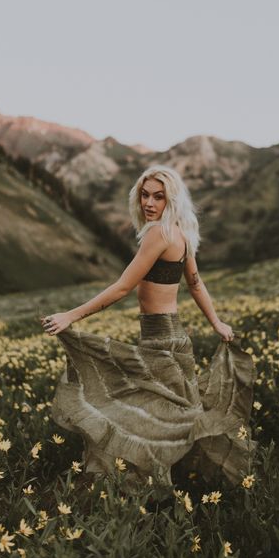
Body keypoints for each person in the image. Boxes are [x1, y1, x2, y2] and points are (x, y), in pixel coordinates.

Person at [41, 165, 257, 495]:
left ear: (171, 199)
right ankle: (180, 488)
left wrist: (72, 316)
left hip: (162, 340)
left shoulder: (160, 234)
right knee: (169, 419)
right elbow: (196, 285)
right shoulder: (180, 234)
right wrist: (216, 324)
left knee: (142, 414)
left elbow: (123, 287)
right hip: (173, 338)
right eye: (144, 195)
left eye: (158, 196)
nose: (149, 203)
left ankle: (145, 492)